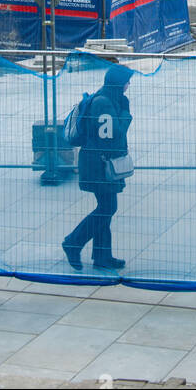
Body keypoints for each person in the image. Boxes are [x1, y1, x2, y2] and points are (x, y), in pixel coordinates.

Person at [62, 61, 133, 271]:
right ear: (117, 84)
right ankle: (73, 243)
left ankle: (102, 256)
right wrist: (126, 114)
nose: (128, 85)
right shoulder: (104, 103)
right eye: (126, 82)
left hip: (98, 161)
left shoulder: (108, 98)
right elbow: (111, 134)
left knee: (105, 208)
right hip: (99, 165)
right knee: (107, 208)